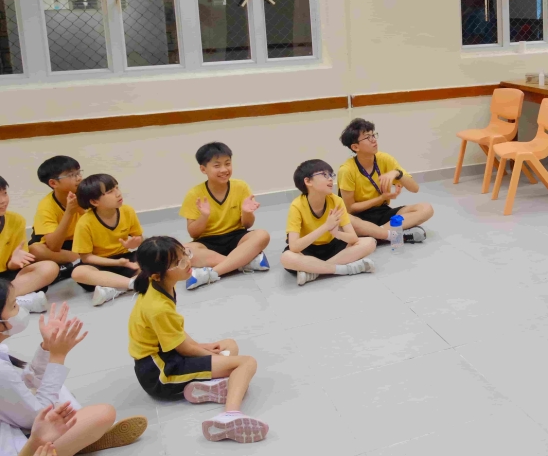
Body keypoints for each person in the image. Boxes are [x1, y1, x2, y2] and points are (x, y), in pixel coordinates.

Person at [128, 236, 268, 444]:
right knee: (247, 363)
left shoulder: (159, 284)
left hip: (168, 354)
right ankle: (229, 416)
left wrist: (203, 347)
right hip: (160, 373)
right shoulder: (157, 307)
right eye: (178, 262)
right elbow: (182, 348)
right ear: (157, 274)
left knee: (229, 345)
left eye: (185, 254)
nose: (187, 262)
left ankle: (215, 385)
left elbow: (174, 333)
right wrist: (207, 353)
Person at [0, 290, 148, 455]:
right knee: (104, 413)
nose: (19, 309)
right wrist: (58, 357)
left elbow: (26, 384)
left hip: (17, 424)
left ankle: (80, 438)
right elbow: (37, 419)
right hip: (21, 447)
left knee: (56, 386)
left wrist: (48, 347)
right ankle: (79, 441)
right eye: (13, 306)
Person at [178, 143, 271, 291]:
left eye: (227, 164)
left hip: (237, 237)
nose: (224, 170)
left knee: (262, 235)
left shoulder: (240, 186)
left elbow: (247, 225)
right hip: (207, 242)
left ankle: (212, 273)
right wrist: (204, 216)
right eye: (217, 165)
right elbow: (194, 234)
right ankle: (244, 261)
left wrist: (246, 212)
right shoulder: (194, 194)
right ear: (203, 169)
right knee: (181, 251)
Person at [281, 160, 377, 286]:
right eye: (324, 175)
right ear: (308, 181)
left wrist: (337, 233)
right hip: (307, 248)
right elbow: (294, 246)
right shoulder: (297, 205)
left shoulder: (336, 201)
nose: (330, 179)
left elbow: (353, 238)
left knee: (369, 242)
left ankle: (315, 271)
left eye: (331, 175)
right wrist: (326, 226)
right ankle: (343, 269)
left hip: (332, 247)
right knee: (287, 257)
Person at [338, 119, 431, 244]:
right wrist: (382, 198)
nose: (373, 140)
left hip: (382, 212)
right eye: (367, 137)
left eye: (373, 135)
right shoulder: (346, 170)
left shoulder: (384, 159)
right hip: (359, 218)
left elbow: (415, 188)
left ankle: (380, 235)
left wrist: (397, 173)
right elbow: (351, 209)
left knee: (426, 208)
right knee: (343, 221)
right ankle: (390, 234)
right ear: (355, 147)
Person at [69, 175, 142, 308]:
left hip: (126, 259)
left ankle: (115, 288)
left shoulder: (127, 211)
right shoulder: (85, 223)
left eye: (117, 188)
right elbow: (86, 257)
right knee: (78, 272)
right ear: (94, 202)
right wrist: (117, 262)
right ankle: (133, 284)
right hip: (100, 264)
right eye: (110, 192)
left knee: (156, 257)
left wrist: (135, 243)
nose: (118, 193)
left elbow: (139, 238)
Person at [0, 177, 56, 315]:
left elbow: (15, 265)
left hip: (7, 278)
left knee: (49, 267)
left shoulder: (16, 220)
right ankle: (16, 301)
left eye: (4, 193)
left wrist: (13, 264)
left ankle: (8, 301)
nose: (3, 200)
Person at [28, 158, 82, 282]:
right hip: (57, 247)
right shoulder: (46, 206)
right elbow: (54, 246)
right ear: (53, 183)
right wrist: (69, 212)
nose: (78, 178)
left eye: (79, 173)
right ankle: (81, 260)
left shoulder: (87, 194)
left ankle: (73, 264)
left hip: (80, 242)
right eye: (71, 175)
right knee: (34, 250)